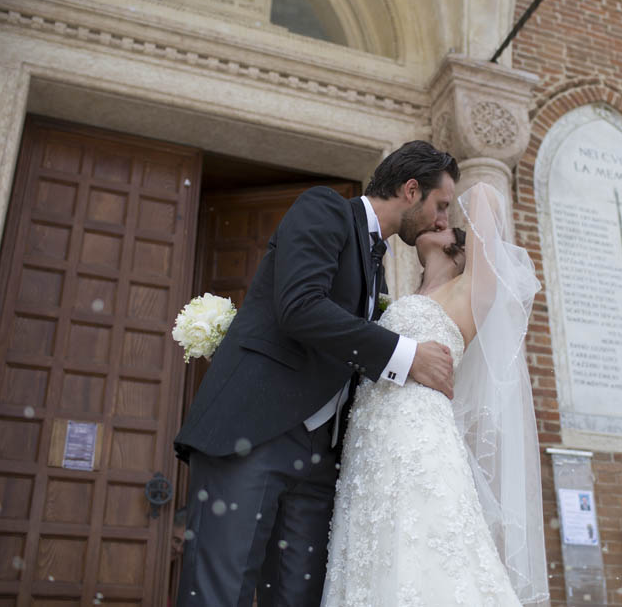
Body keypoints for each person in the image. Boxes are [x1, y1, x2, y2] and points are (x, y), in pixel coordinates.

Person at [173, 141, 460, 606]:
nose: (443, 220)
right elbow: (300, 307)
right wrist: (408, 356)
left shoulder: (378, 267)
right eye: (441, 205)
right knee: (219, 595)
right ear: (411, 190)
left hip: (321, 462)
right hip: (255, 436)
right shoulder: (325, 209)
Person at [321, 183, 549, 606]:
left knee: (423, 547)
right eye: (438, 216)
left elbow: (487, 196)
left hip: (419, 437)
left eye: (446, 223)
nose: (438, 221)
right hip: (368, 443)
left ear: (462, 251)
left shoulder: (471, 290)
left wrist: (442, 192)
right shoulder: (398, 300)